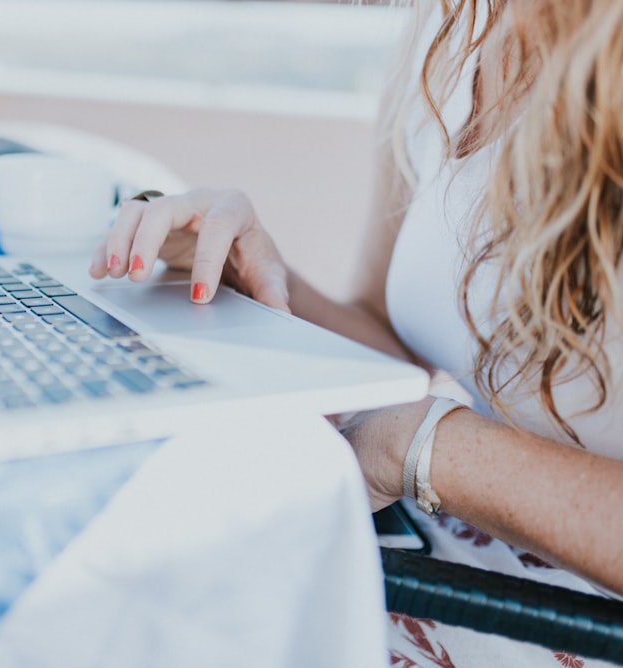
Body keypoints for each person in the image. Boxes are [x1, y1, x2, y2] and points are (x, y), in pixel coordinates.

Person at [90, 0, 623, 664]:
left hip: (573, 617)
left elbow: (407, 425)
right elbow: (390, 343)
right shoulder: (451, 31)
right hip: (439, 546)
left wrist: (424, 442)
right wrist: (257, 277)